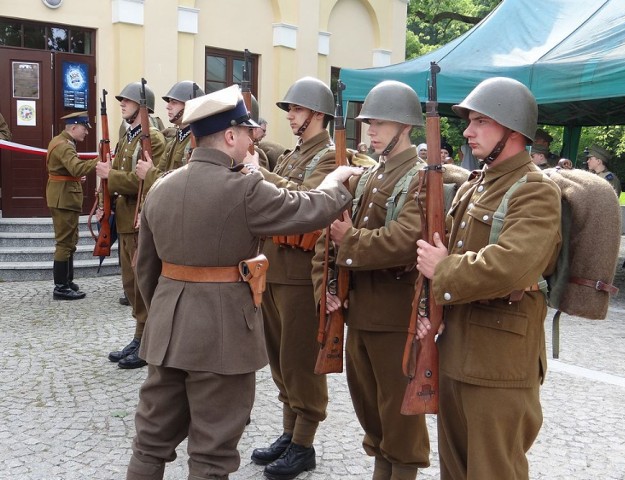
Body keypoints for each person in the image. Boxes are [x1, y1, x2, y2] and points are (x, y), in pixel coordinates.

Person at [125, 84, 360, 480]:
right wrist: (337, 180)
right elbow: (311, 209)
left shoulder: (161, 187)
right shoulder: (244, 188)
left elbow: (144, 269)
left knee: (150, 442)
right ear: (230, 136)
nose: (253, 138)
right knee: (212, 453)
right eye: (247, 131)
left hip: (166, 334)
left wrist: (166, 313)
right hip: (222, 339)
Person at [415, 77, 562, 480]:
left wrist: (442, 271)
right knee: (456, 471)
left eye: (480, 121)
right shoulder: (475, 186)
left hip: (500, 365)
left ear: (513, 130)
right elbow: (433, 250)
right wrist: (430, 312)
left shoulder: (536, 190)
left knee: (493, 473)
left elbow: (511, 266)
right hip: (456, 351)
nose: (467, 131)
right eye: (470, 121)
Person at [312, 80, 430, 480]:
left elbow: (406, 241)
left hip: (395, 318)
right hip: (358, 313)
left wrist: (352, 240)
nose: (371, 132)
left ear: (405, 126)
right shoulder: (368, 176)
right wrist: (328, 290)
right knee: (372, 416)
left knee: (399, 418)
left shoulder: (418, 177)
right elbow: (328, 239)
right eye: (368, 124)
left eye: (379, 123)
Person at [248, 76, 339, 479]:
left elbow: (308, 201)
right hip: (273, 268)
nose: (290, 116)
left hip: (303, 275)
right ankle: (290, 433)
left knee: (302, 362)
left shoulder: (331, 157)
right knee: (281, 360)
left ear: (317, 114)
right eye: (288, 110)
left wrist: (259, 174)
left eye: (297, 110)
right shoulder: (293, 154)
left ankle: (304, 443)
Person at [96, 81, 166, 369]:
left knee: (142, 284)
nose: (122, 104)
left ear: (142, 106)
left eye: (127, 100)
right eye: (121, 100)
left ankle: (146, 340)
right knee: (129, 285)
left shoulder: (155, 139)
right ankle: (139, 336)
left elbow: (144, 180)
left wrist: (110, 175)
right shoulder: (128, 137)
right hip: (123, 218)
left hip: (139, 221)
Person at [46, 111, 99, 300]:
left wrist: (75, 176)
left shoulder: (61, 141)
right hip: (64, 199)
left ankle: (67, 281)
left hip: (63, 195)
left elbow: (67, 170)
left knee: (70, 242)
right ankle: (60, 287)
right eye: (84, 128)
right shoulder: (65, 146)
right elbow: (76, 167)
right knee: (64, 243)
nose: (86, 132)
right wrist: (100, 160)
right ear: (74, 127)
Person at [136, 80, 205, 186]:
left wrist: (149, 173)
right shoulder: (174, 141)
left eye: (174, 102)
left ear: (189, 105)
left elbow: (187, 182)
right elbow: (163, 173)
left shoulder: (201, 141)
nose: (168, 106)